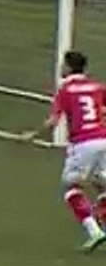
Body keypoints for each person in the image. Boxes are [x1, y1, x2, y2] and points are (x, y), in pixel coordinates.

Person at [22, 51, 106, 252]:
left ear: (68, 67)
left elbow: (54, 120)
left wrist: (33, 134)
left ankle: (94, 231)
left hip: (83, 143)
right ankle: (102, 215)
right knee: (100, 183)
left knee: (71, 187)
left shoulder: (66, 90)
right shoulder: (97, 87)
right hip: (103, 139)